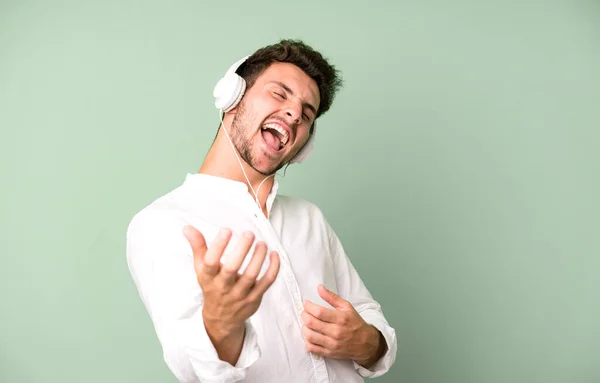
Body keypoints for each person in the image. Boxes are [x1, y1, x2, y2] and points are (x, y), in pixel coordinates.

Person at [126, 39, 397, 383]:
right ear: (232, 99)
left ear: (303, 145)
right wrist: (221, 323)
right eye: (280, 94)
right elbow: (192, 369)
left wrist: (367, 343)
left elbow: (369, 316)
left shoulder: (309, 218)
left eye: (307, 112)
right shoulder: (162, 224)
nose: (295, 113)